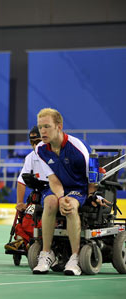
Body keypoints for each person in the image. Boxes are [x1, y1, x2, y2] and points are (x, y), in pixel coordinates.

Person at [32, 108, 107, 276]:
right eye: (39, 127)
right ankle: (46, 254)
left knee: (71, 206)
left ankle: (75, 257)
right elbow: (52, 179)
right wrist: (60, 197)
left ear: (59, 126)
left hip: (79, 188)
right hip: (58, 189)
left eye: (46, 126)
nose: (42, 131)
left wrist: (90, 196)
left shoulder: (78, 148)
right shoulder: (41, 150)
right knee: (50, 202)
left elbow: (93, 178)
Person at [5, 126, 48, 251]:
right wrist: (19, 202)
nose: (35, 145)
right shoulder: (30, 157)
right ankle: (25, 240)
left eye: (38, 142)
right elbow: (21, 181)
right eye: (32, 142)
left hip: (53, 194)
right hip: (38, 195)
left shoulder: (55, 155)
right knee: (27, 215)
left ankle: (34, 242)